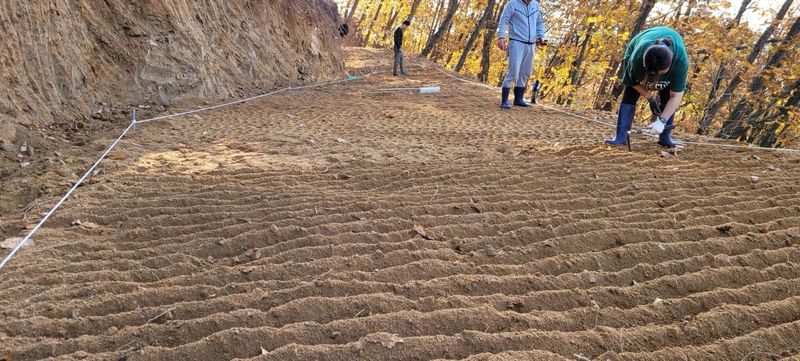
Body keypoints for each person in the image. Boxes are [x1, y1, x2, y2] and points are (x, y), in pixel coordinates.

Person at [605, 26, 689, 148]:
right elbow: (632, 82)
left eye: (659, 74)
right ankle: (620, 137)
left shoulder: (680, 62)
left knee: (666, 94)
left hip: (671, 64)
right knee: (630, 95)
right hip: (637, 51)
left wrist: (662, 121)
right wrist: (650, 98)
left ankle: (665, 138)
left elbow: (676, 96)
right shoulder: (637, 58)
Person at [497, 0, 546, 109]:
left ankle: (518, 99)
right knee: (513, 71)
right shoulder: (512, 4)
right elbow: (503, 20)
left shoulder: (535, 5)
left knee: (526, 72)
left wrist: (541, 36)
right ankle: (504, 100)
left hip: (531, 44)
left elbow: (540, 22)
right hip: (516, 42)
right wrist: (501, 37)